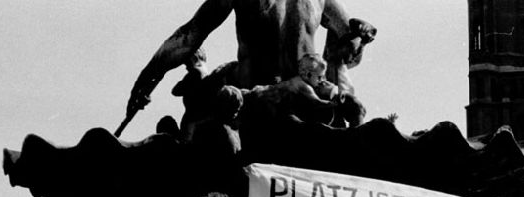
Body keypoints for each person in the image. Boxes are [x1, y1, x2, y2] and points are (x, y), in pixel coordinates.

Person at [124, 0, 375, 124]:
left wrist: (147, 78)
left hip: (256, 100)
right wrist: (147, 78)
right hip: (280, 100)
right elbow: (349, 55)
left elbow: (188, 37)